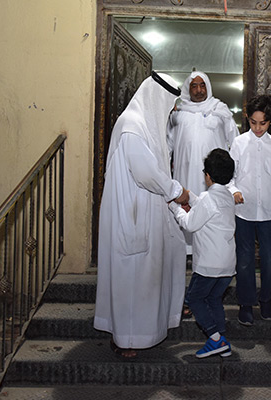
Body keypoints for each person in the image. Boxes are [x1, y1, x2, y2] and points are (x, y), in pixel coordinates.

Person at [94, 72, 189, 358]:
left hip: (145, 211)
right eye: (170, 105)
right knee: (132, 279)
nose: (171, 111)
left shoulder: (144, 125)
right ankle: (126, 339)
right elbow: (145, 172)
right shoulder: (132, 126)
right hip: (131, 215)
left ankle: (146, 332)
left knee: (145, 277)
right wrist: (177, 191)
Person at [227, 94, 271, 326]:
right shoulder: (238, 143)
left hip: (268, 211)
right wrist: (234, 190)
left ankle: (265, 298)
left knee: (270, 259)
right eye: (253, 122)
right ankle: (245, 303)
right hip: (243, 210)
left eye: (262, 123)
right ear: (247, 119)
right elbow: (230, 176)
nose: (257, 128)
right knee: (244, 259)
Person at [168, 148, 236, 358]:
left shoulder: (208, 198)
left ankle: (215, 338)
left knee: (195, 299)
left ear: (207, 175)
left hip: (209, 264)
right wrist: (190, 197)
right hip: (227, 265)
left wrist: (174, 208)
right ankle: (221, 339)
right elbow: (206, 207)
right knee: (214, 299)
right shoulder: (228, 197)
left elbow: (189, 224)